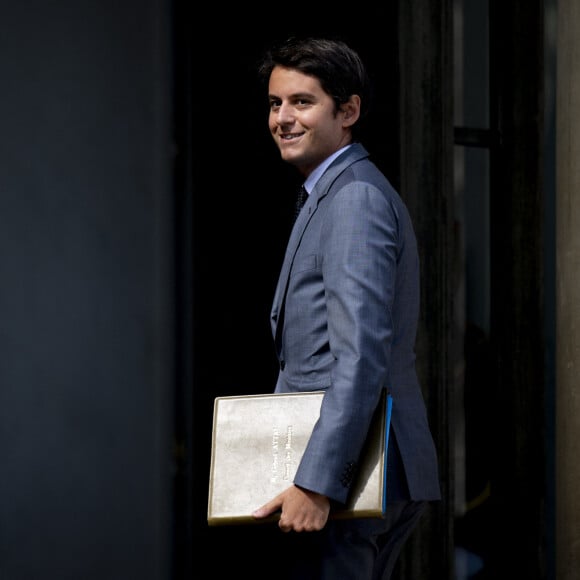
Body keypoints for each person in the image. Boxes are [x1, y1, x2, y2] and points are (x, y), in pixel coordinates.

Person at [251, 36, 441, 580]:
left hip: (352, 478)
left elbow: (361, 355)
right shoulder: (331, 192)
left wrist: (317, 482)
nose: (283, 118)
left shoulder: (353, 198)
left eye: (302, 102)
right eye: (274, 103)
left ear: (349, 110)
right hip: (351, 474)